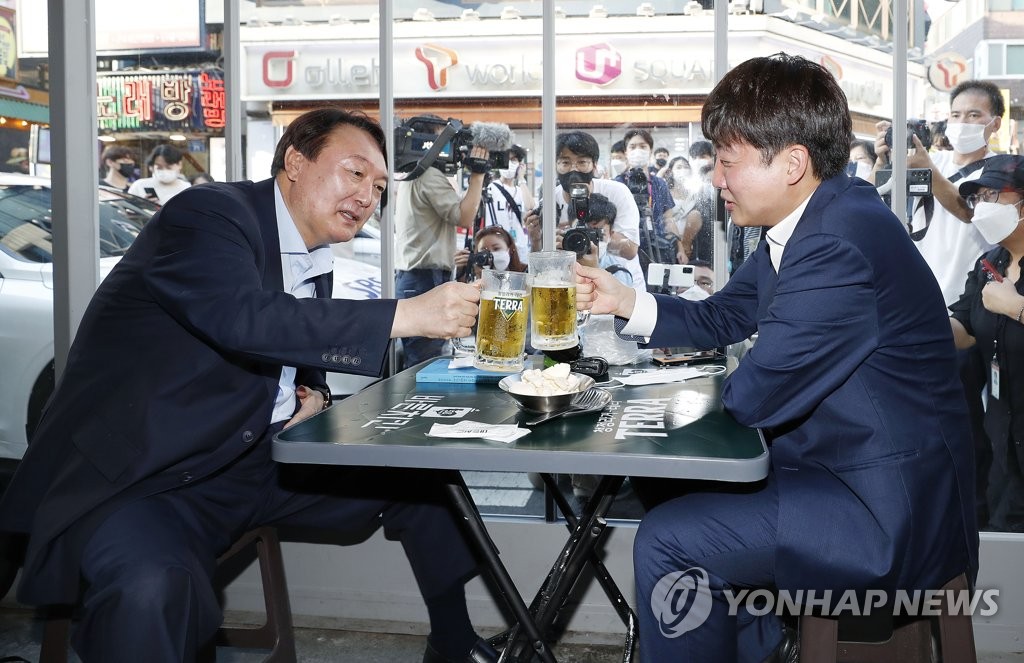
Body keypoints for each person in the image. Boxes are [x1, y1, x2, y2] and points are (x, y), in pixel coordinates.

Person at [0, 108, 497, 663]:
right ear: (294, 161)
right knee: (151, 589)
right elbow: (241, 317)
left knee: (421, 473)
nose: (367, 195)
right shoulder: (209, 215)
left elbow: (293, 350)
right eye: (355, 173)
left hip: (258, 461)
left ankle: (454, 641)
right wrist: (404, 315)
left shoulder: (312, 252)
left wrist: (319, 397)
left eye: (379, 186)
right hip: (155, 476)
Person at [574, 53, 977, 663]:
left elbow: (755, 395)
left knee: (669, 541)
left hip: (884, 506)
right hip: (855, 468)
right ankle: (759, 650)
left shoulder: (834, 243)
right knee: (671, 493)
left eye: (727, 161)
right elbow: (723, 316)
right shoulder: (819, 216)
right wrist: (625, 299)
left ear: (792, 162)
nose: (715, 179)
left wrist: (752, 360)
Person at [950, 154, 1024, 532]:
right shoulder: (988, 265)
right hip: (1002, 445)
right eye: (978, 199)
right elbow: (964, 328)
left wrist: (1017, 308)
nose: (983, 207)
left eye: (994, 195)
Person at [393, 115, 490, 370]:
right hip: (425, 278)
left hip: (412, 276)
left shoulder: (413, 174)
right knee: (426, 362)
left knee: (420, 358)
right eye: (443, 141)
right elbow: (464, 216)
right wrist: (478, 175)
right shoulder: (429, 176)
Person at [522, 131, 645, 290]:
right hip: (573, 288)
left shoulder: (617, 193)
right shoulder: (549, 202)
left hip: (622, 283)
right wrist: (539, 240)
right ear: (556, 166)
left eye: (582, 162)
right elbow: (540, 262)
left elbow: (630, 250)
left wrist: (584, 235)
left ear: (594, 165)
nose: (574, 170)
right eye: (565, 163)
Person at [615, 127, 678, 264]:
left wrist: (679, 247)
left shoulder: (659, 184)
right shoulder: (617, 184)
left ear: (650, 151)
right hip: (625, 248)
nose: (638, 150)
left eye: (643, 146)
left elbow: (669, 219)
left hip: (657, 248)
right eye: (632, 147)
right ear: (626, 152)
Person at [483, 144, 534, 264]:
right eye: (507, 159)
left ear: (519, 164)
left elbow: (530, 206)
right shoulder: (491, 187)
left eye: (514, 160)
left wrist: (521, 178)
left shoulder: (521, 189)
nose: (510, 163)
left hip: (519, 247)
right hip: (497, 246)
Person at [574, 192, 638, 287]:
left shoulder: (617, 273)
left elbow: (617, 301)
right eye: (582, 233)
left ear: (611, 233)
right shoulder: (561, 266)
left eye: (597, 233)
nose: (588, 240)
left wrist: (593, 272)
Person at [453, 224, 527, 281]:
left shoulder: (526, 274)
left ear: (510, 250)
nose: (490, 254)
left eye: (496, 248)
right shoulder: (474, 279)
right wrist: (461, 272)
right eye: (484, 251)